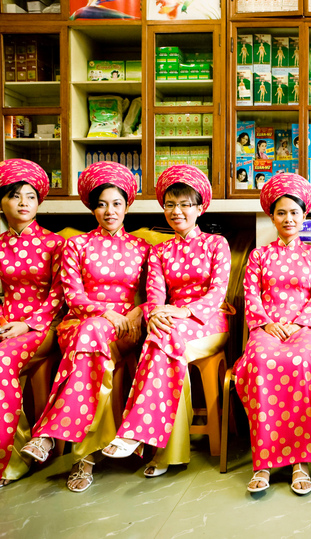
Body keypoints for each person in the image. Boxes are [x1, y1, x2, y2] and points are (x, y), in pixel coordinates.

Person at [21, 162, 150, 492]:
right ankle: (85, 457)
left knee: (91, 341)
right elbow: (74, 296)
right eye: (102, 204)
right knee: (90, 338)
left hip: (125, 332)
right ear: (93, 208)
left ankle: (50, 434)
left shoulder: (143, 248)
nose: (110, 211)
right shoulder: (75, 246)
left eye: (117, 204)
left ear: (127, 206)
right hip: (79, 327)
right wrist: (109, 313)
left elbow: (153, 296)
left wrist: (133, 316)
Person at [103, 165, 231, 478]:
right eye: (170, 205)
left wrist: (181, 312)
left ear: (200, 208)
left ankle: (144, 439)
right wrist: (156, 314)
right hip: (171, 327)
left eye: (185, 204)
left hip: (210, 322)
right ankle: (167, 451)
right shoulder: (160, 251)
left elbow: (216, 295)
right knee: (162, 339)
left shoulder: (217, 244)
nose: (177, 211)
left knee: (163, 337)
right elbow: (153, 296)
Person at [0, 159, 64, 490]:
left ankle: (9, 460)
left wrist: (28, 325)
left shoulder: (55, 243)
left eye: (30, 196)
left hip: (41, 327)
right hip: (2, 324)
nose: (23, 203)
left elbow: (59, 295)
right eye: (15, 196)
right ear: (0, 202)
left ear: (39, 201)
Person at [235, 173, 311, 495]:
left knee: (300, 361)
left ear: (305, 215)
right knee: (260, 361)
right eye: (281, 213)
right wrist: (265, 323)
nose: (289, 219)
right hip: (266, 327)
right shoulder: (259, 256)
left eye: (295, 212)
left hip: (306, 329)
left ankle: (300, 461)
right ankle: (263, 461)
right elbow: (251, 295)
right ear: (271, 216)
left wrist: (300, 323)